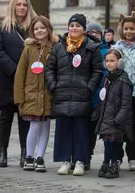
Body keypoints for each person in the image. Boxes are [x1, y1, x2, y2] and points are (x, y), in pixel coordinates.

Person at [45, 13, 103, 176]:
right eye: (72, 25)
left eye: (78, 26)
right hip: (62, 94)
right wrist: (54, 86)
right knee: (63, 129)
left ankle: (79, 161)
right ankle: (65, 161)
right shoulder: (59, 47)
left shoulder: (92, 47)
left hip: (82, 95)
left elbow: (97, 71)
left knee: (81, 130)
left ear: (84, 29)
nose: (74, 28)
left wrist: (89, 88)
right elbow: (50, 68)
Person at [0, 0, 37, 168]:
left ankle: (25, 153)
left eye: (24, 5)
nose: (21, 7)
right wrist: (15, 69)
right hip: (6, 79)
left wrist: (25, 72)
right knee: (5, 118)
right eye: (18, 4)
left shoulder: (33, 27)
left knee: (24, 119)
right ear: (13, 6)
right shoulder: (2, 27)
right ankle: (2, 153)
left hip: (27, 81)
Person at [14, 16, 58, 172]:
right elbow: (20, 74)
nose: (39, 31)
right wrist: (19, 97)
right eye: (36, 28)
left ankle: (40, 157)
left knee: (45, 126)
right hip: (31, 95)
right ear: (33, 32)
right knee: (34, 126)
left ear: (48, 29)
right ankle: (29, 156)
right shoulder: (28, 49)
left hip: (48, 95)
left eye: (42, 28)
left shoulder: (55, 48)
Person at [91, 49, 133, 179]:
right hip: (106, 118)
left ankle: (113, 164)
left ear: (119, 63)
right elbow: (103, 100)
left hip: (116, 120)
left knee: (114, 143)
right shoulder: (108, 79)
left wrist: (118, 119)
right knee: (107, 143)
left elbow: (126, 103)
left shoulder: (123, 80)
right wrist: (97, 113)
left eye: (112, 61)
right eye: (107, 61)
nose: (109, 64)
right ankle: (105, 163)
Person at [112, 14, 135, 171]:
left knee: (134, 127)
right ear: (122, 30)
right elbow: (111, 68)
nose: (129, 31)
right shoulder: (117, 48)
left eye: (132, 28)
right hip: (120, 94)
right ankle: (117, 157)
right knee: (119, 125)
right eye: (126, 29)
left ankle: (133, 157)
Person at [85, 22, 108, 170]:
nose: (94, 34)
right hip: (88, 96)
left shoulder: (107, 51)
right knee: (88, 131)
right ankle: (86, 157)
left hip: (105, 97)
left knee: (107, 130)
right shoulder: (84, 50)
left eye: (97, 32)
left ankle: (109, 160)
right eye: (91, 32)